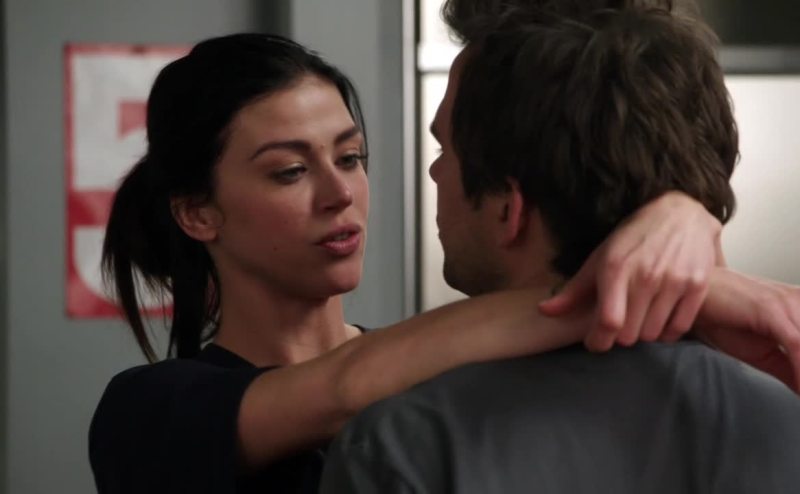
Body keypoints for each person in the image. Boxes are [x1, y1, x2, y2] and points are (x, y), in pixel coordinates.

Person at [88, 32, 798, 494]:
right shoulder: (149, 412)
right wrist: (649, 267)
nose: (340, 194)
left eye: (351, 158)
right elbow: (343, 387)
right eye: (289, 171)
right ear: (199, 213)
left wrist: (680, 216)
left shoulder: (447, 372)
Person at [319, 3, 800, 493]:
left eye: (445, 150)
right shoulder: (782, 419)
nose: (434, 171)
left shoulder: (404, 449)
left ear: (509, 208)